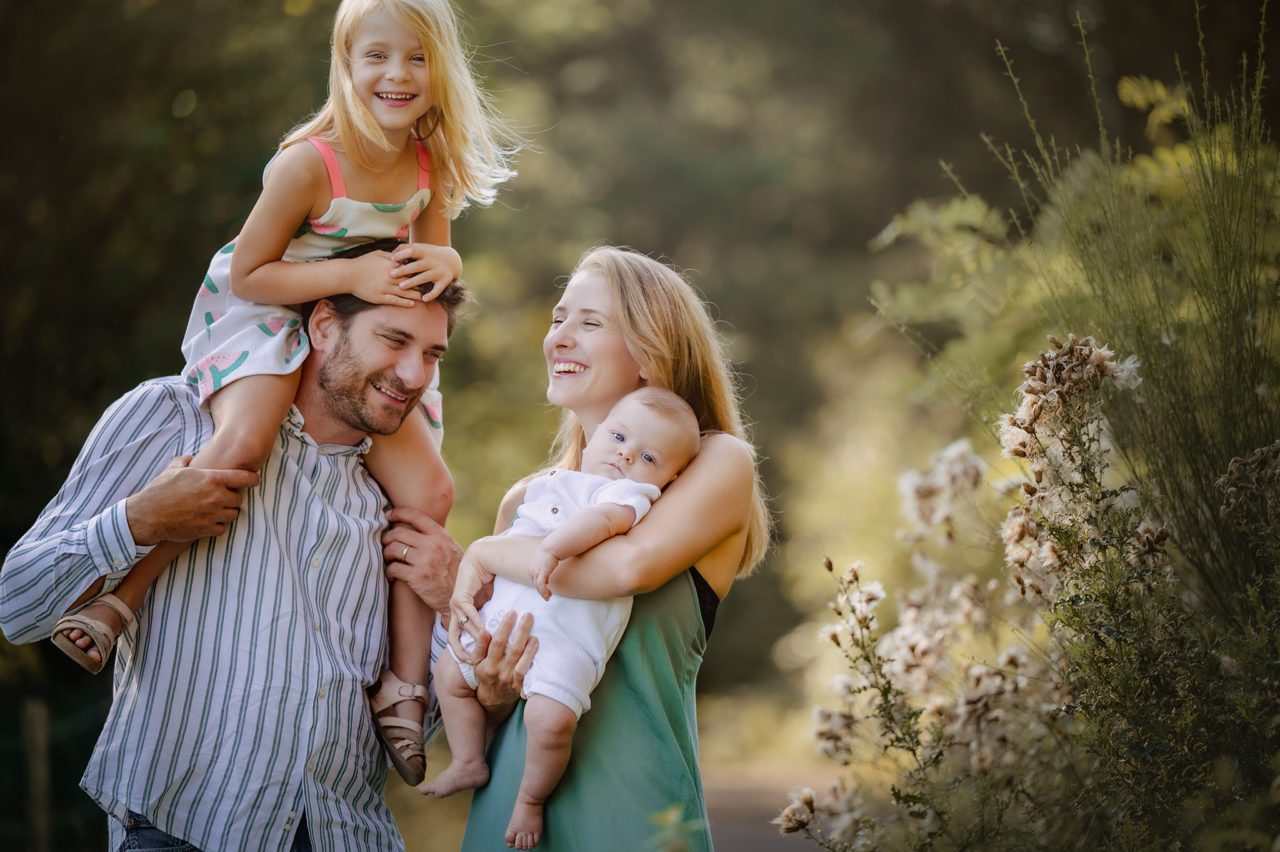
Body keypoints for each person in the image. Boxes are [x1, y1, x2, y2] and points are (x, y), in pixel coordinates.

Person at [48, 0, 518, 787]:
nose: (396, 75)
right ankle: (120, 597)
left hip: (356, 335)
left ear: (442, 71)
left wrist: (448, 268)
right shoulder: (309, 163)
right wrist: (355, 274)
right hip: (267, 313)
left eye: (416, 59)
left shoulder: (429, 162)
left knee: (432, 489)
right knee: (241, 447)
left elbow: (436, 268)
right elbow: (249, 272)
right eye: (377, 56)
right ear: (345, 62)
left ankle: (402, 685)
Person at [0, 265, 469, 851]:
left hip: (348, 837)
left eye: (432, 354)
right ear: (323, 325)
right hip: (179, 832)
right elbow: (17, 607)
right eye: (394, 340)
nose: (413, 374)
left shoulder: (403, 496)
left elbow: (419, 726)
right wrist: (139, 520)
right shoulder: (173, 416)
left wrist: (458, 603)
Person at [448, 246, 772, 851]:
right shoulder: (526, 499)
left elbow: (627, 566)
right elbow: (495, 706)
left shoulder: (715, 461)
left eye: (589, 323)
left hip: (636, 821)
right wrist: (492, 692)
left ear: (651, 354)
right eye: (557, 319)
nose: (559, 338)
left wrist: (487, 555)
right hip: (511, 818)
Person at [427, 387, 702, 849]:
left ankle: (530, 800)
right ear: (592, 438)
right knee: (449, 674)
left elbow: (601, 525)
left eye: (648, 457)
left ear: (667, 481)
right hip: (506, 624)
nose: (625, 455)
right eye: (617, 437)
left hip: (565, 642)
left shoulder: (627, 496)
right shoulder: (543, 485)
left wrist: (552, 547)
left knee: (551, 723)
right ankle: (468, 758)